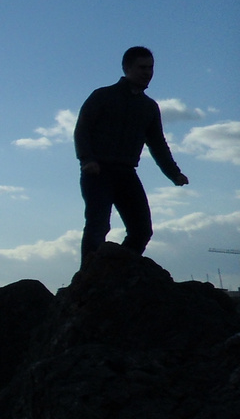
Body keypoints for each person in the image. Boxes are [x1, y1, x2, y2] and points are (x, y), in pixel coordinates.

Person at [73, 46, 189, 263]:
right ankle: (88, 278)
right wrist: (87, 159)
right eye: (142, 67)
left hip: (126, 173)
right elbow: (82, 129)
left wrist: (174, 174)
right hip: (98, 171)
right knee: (98, 225)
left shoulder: (149, 107)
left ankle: (118, 271)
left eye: (151, 68)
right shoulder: (102, 96)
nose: (147, 72)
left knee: (142, 230)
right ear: (126, 68)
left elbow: (158, 144)